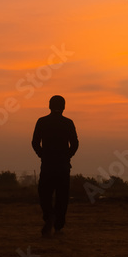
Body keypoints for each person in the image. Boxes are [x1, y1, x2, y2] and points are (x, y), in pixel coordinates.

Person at [31, 95, 78, 237]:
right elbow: (75, 144)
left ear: (49, 106)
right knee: (62, 198)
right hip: (63, 167)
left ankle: (49, 216)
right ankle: (58, 227)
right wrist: (67, 156)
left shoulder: (42, 122)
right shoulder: (68, 123)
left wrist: (42, 155)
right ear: (64, 107)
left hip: (47, 166)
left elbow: (34, 142)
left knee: (44, 195)